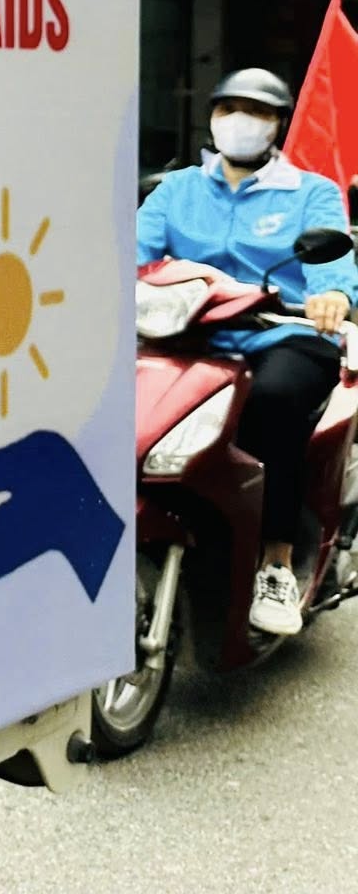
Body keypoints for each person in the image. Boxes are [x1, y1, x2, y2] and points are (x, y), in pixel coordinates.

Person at [137, 68, 358, 636]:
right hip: (188, 338)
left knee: (274, 402)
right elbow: (134, 255)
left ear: (277, 124)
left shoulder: (311, 192)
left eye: (257, 111)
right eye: (229, 108)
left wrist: (332, 295)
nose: (240, 121)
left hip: (281, 335)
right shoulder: (176, 190)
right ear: (212, 117)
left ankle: (276, 562)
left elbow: (333, 269)